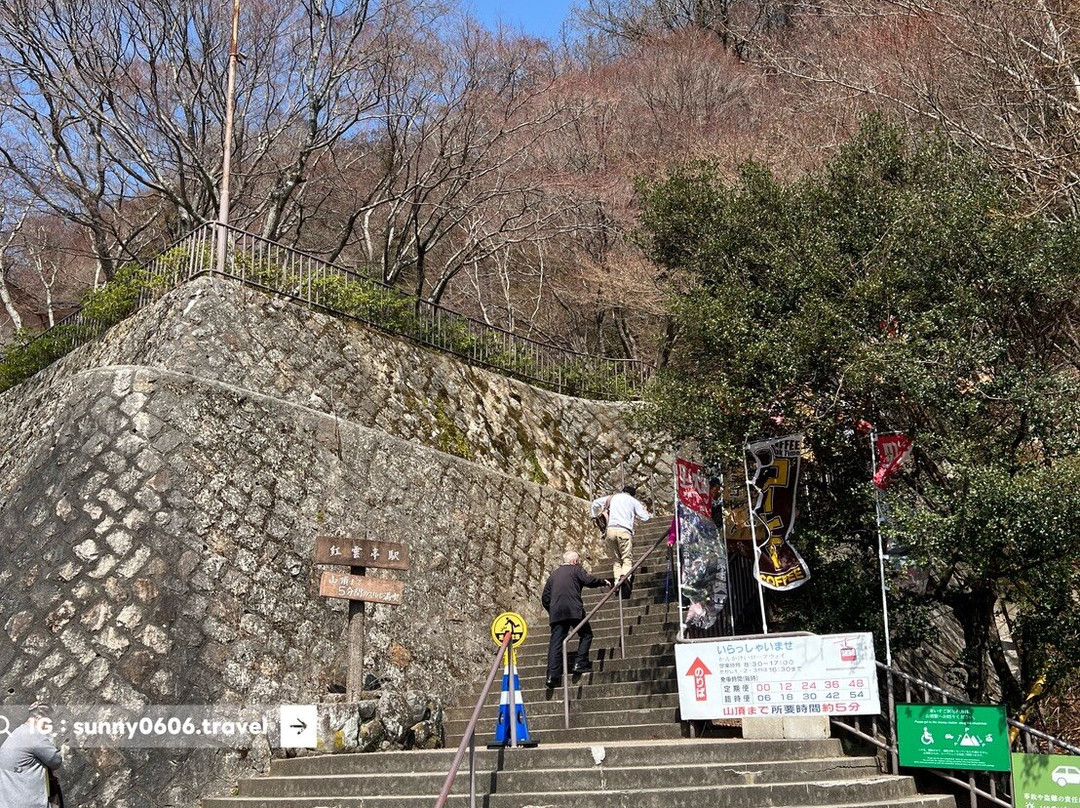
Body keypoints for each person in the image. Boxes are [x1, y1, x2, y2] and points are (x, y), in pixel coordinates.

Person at [541, 551, 611, 688]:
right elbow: (589, 581)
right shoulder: (576, 569)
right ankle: (580, 663)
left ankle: (552, 677)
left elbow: (545, 598)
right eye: (578, 561)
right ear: (575, 561)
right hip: (573, 610)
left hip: (557, 613)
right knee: (586, 634)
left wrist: (553, 609)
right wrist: (604, 581)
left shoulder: (553, 575)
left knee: (556, 643)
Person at [590, 484, 651, 598]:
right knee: (626, 558)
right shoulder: (633, 501)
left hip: (610, 530)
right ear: (633, 494)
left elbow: (595, 503)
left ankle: (617, 582)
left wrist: (594, 516)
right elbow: (646, 518)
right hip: (624, 531)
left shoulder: (612, 497)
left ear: (622, 491)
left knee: (616, 560)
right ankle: (625, 578)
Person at [0, 702, 63, 808]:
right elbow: (56, 761)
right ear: (39, 717)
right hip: (30, 803)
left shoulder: (16, 733)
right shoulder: (33, 735)